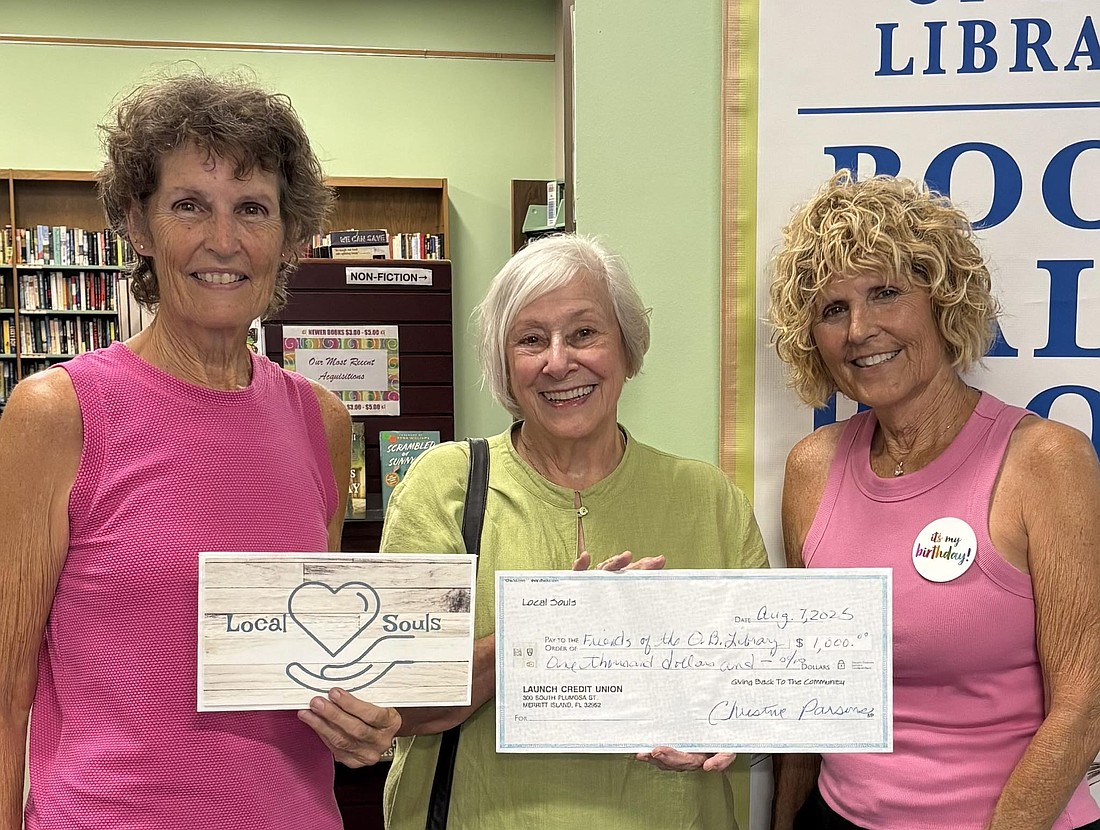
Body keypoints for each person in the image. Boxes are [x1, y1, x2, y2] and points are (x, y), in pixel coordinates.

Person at [0, 72, 401, 830]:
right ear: (139, 226)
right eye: (190, 205)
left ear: (288, 235)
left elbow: (314, 663)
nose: (224, 241)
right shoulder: (58, 414)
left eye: (252, 208)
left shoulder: (321, 421)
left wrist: (364, 723)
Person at [379, 233, 769, 830]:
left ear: (627, 348)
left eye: (584, 333)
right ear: (505, 366)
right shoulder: (444, 486)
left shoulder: (709, 499)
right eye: (531, 340)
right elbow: (400, 697)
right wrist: (545, 631)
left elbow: (764, 690)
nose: (559, 361)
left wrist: (730, 732)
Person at [767, 171, 1100, 830]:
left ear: (942, 302)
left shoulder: (1045, 461)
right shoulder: (811, 469)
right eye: (834, 310)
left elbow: (1083, 706)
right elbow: (813, 694)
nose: (859, 329)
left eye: (885, 293)